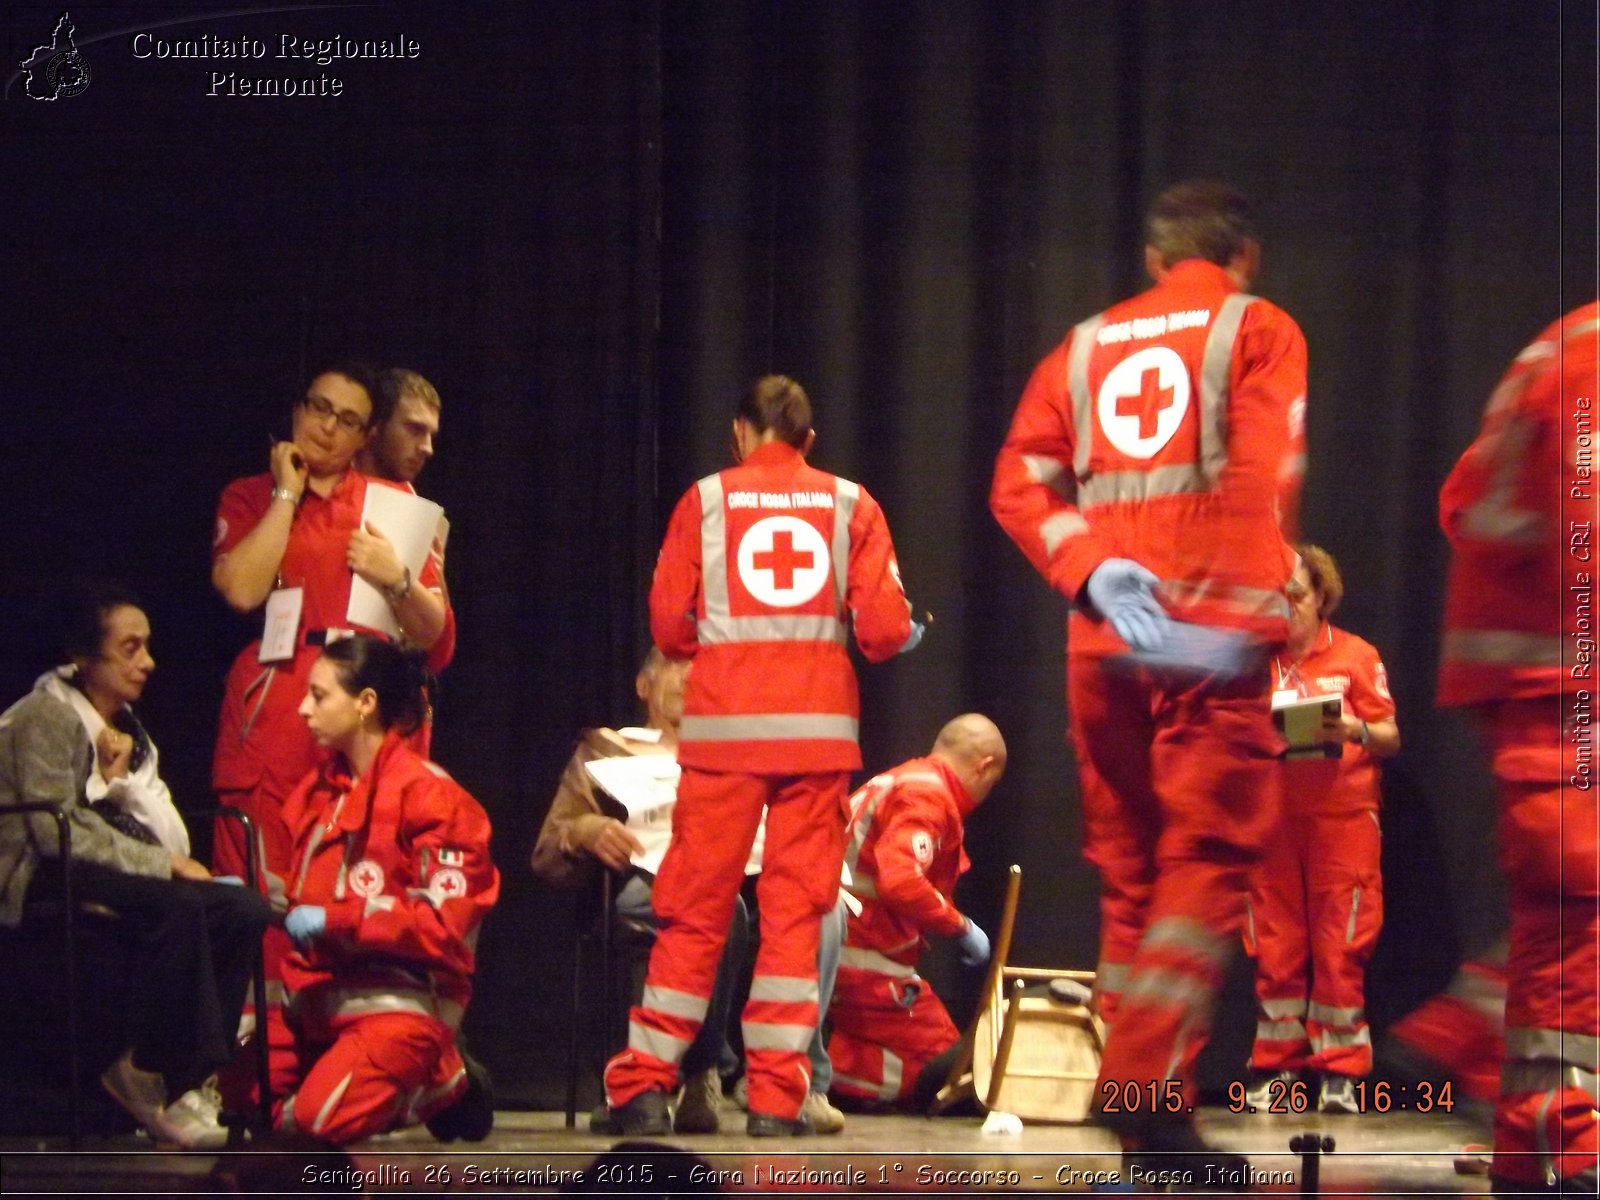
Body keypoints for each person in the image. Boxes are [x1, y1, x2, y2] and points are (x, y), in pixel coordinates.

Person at [990, 180, 1307, 1177]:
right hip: (1200, 637)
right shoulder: (1257, 327)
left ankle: (1145, 1113)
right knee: (1206, 861)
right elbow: (1258, 477)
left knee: (1133, 875)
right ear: (1243, 253)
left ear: (1152, 260)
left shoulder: (1081, 348)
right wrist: (1212, 619)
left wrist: (1086, 568)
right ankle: (1139, 1089)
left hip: (1103, 639)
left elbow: (1018, 482)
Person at [604, 374, 922, 1137]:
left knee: (692, 913)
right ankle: (777, 1101)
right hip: (814, 743)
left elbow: (670, 629)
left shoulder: (705, 501)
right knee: (793, 918)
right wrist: (905, 629)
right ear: (808, 441)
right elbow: (881, 632)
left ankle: (645, 1086)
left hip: (722, 741)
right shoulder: (853, 505)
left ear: (739, 434)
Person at [0, 585, 271, 1148]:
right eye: (130, 648)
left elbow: (130, 810)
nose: (147, 661)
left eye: (146, 647)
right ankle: (146, 1065)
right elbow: (55, 830)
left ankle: (189, 1078)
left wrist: (160, 853)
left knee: (242, 906)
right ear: (83, 655)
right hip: (34, 867)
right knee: (173, 902)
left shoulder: (128, 729)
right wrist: (161, 863)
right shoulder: (45, 715)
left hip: (96, 856)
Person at [534, 649, 847, 1134]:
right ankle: (695, 1071)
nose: (693, 676)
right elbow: (549, 848)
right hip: (652, 880)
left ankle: (794, 1083)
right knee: (722, 911)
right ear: (644, 684)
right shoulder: (608, 749)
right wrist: (589, 829)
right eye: (677, 664)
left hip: (751, 873)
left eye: (704, 666)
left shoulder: (747, 752)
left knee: (822, 912)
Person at [1435, 303, 1598, 1196]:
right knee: (1579, 933)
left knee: (1559, 932)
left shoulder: (1559, 347)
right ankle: (1566, 1145)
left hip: (1545, 702)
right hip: (1577, 700)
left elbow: (1465, 500)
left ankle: (1539, 1144)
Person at [210, 363, 453, 894]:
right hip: (275, 695)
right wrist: (286, 495)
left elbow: (435, 631)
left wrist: (397, 578)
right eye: (319, 408)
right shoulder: (249, 495)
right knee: (264, 870)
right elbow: (242, 590)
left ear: (366, 435)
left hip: (360, 701)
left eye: (347, 420)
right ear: (297, 410)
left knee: (360, 863)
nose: (326, 427)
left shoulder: (390, 503)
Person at [261, 634, 498, 1144]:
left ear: (366, 703)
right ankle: (415, 1079)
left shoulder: (433, 797)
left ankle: (438, 1075)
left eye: (319, 696)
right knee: (244, 1101)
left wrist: (338, 918)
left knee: (312, 1127)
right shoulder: (317, 792)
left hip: (401, 1000)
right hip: (316, 994)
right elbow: (297, 890)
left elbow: (442, 925)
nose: (303, 709)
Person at [1242, 545, 1399, 1113]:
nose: (1288, 608)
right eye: (1279, 598)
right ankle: (1276, 1067)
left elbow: (1390, 736)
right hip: (1274, 822)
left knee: (1340, 942)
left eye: (1298, 596)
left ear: (1322, 597)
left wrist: (1351, 725)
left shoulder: (1356, 655)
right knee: (1275, 943)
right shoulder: (1259, 663)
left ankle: (1341, 1071)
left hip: (1343, 822)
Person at [826, 714, 1007, 1110]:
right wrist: (960, 926)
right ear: (984, 766)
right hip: (866, 963)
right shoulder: (930, 796)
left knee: (930, 1063)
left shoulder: (898, 780)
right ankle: (814, 1072)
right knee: (948, 1074)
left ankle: (812, 1062)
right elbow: (901, 881)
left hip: (845, 955)